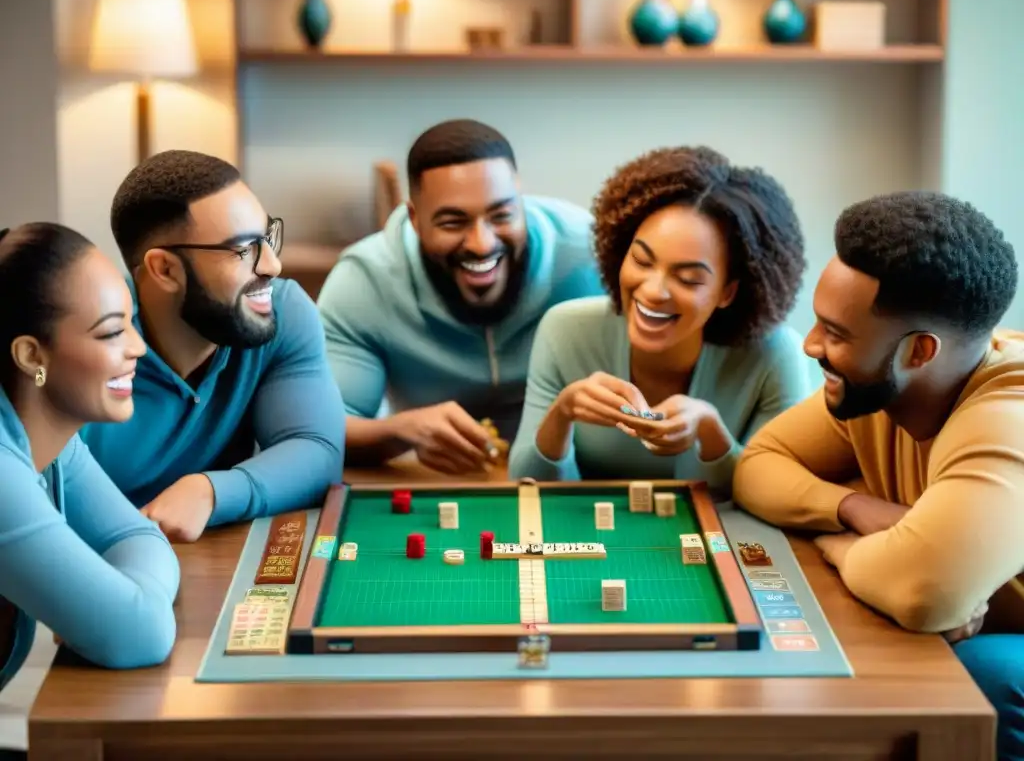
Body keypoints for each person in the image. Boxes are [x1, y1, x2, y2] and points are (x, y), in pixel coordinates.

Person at [731, 191, 1024, 761]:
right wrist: (860, 510)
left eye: (836, 334)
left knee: (985, 673)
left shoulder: (1008, 417)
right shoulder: (876, 394)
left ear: (919, 352)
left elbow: (924, 592)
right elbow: (759, 467)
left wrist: (839, 547)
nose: (811, 345)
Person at [507, 145, 810, 493]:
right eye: (641, 260)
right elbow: (526, 485)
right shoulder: (564, 330)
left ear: (728, 291)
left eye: (688, 279)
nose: (653, 291)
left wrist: (710, 432)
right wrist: (562, 414)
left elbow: (775, 493)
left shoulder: (776, 355)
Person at [79, 150, 345, 544]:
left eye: (267, 238)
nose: (272, 265)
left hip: (204, 559)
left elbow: (317, 451)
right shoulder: (82, 343)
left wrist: (210, 491)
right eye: (243, 249)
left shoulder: (280, 311)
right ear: (165, 269)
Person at [316, 119, 605, 475]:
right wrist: (400, 431)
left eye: (501, 215)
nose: (482, 244)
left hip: (575, 476)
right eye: (453, 222)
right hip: (436, 482)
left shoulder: (589, 254)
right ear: (415, 218)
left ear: (520, 201)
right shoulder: (364, 280)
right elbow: (320, 429)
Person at [0, 223, 179, 699]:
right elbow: (140, 634)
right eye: (112, 332)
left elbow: (138, 536)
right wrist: (125, 607)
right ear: (30, 354)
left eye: (132, 322)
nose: (138, 347)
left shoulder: (54, 440)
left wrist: (130, 601)